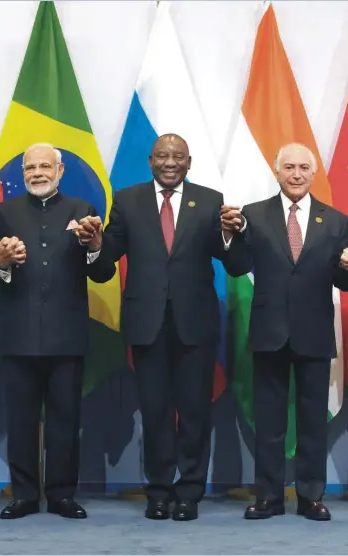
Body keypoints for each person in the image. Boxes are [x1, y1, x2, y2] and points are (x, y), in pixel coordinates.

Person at [78, 134, 240, 521]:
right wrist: (96, 244)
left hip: (196, 325)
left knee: (195, 413)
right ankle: (159, 491)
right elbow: (104, 267)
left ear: (189, 161)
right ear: (151, 160)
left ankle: (189, 493)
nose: (170, 162)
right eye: (163, 156)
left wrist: (231, 236)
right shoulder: (129, 199)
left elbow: (232, 262)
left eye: (178, 156)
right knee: (154, 413)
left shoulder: (210, 200)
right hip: (146, 324)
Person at [0, 143, 115, 520]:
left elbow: (103, 273)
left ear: (60, 171)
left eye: (44, 167)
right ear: (23, 174)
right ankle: (23, 494)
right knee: (20, 422)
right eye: (30, 168)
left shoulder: (82, 212)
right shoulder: (3, 213)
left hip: (66, 335)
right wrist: (2, 262)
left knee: (65, 422)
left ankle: (61, 495)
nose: (37, 173)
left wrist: (95, 247)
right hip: (17, 335)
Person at [221, 142, 348, 521]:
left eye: (303, 168)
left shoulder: (336, 220)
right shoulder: (253, 215)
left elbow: (343, 281)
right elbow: (236, 265)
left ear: (313, 173)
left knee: (312, 421)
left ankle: (310, 497)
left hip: (314, 333)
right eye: (289, 167)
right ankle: (268, 497)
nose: (296, 174)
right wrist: (231, 237)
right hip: (269, 331)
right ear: (277, 172)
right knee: (270, 421)